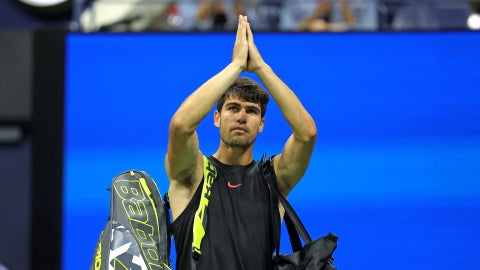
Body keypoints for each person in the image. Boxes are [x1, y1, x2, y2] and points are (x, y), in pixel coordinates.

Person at [165, 14, 317, 270]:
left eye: (252, 111)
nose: (241, 116)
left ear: (261, 124)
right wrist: (235, 65)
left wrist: (261, 68)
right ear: (216, 117)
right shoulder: (192, 173)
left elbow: (307, 134)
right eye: (232, 108)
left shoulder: (274, 179)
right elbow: (181, 125)